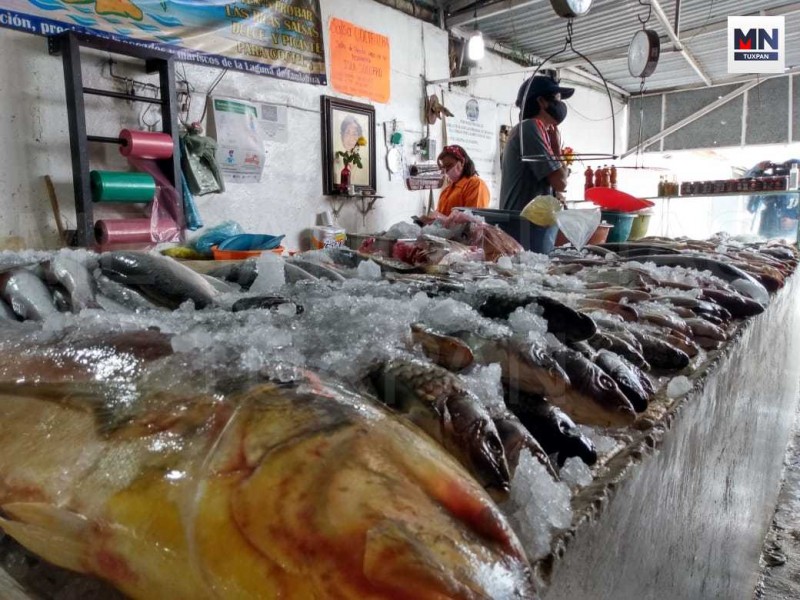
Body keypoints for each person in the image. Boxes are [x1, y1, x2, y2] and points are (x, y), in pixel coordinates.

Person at [499, 75, 573, 212]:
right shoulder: (529, 128)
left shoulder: (531, 130)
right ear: (542, 101)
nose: (561, 105)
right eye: (558, 99)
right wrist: (557, 149)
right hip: (523, 229)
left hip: (529, 227)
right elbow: (561, 183)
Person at [745, 159, 799, 240]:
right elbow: (745, 181)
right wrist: (758, 167)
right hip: (766, 233)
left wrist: (794, 223)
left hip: (792, 237)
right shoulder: (773, 183)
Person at [435, 144, 491, 216]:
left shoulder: (475, 185)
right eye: (444, 168)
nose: (447, 171)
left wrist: (445, 221)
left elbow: (473, 220)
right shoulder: (447, 190)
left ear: (462, 162)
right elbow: (439, 216)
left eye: (449, 165)